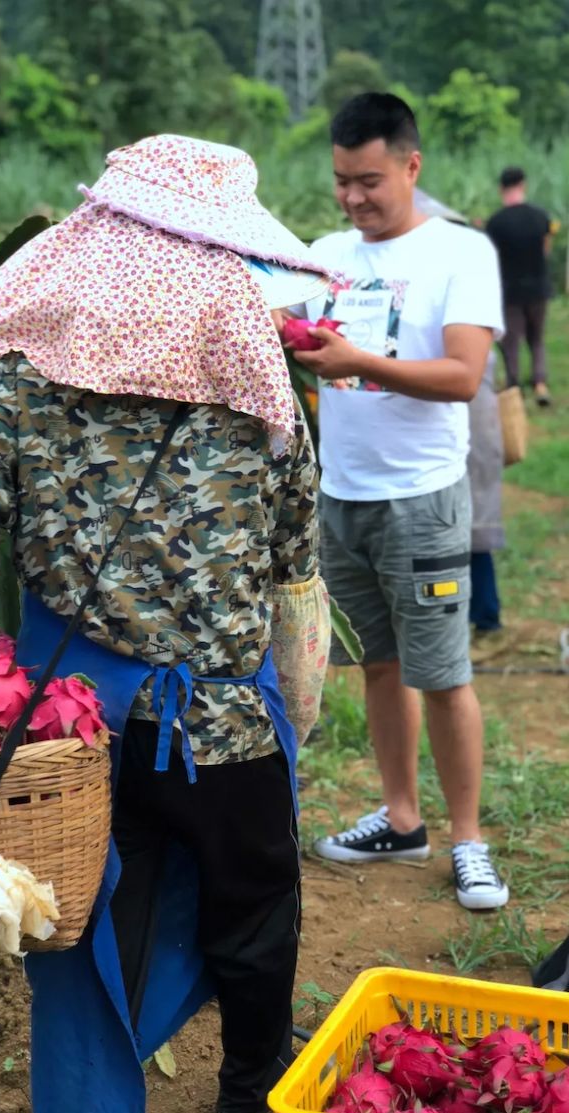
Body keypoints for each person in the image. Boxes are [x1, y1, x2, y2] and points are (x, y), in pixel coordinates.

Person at [0, 135, 332, 1113]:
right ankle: (250, 1100)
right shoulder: (261, 398)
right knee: (252, 913)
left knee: (79, 935)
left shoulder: (25, 390)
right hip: (224, 724)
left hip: (68, 737)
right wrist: (289, 718)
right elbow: (295, 579)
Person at [289, 93, 509, 911]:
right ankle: (403, 817)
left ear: (411, 166)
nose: (354, 198)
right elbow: (299, 340)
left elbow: (463, 377)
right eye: (343, 181)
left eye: (370, 181)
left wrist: (357, 361)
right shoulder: (323, 253)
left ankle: (468, 840)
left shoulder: (461, 253)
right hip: (340, 498)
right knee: (378, 666)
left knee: (443, 674)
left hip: (422, 499)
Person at [486, 166, 556, 408]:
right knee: (536, 339)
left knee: (511, 340)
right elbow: (545, 250)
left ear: (501, 189)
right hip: (538, 287)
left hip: (509, 292)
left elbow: (491, 259)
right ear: (523, 185)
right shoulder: (540, 216)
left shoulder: (495, 223)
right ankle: (540, 384)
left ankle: (513, 385)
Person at [468, 349, 505, 638]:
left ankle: (485, 613)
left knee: (474, 532)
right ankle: (484, 612)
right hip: (478, 430)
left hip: (475, 434)